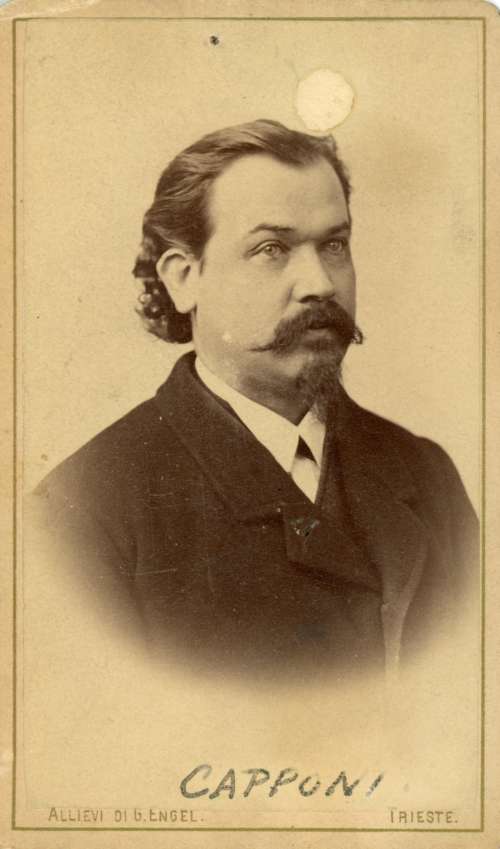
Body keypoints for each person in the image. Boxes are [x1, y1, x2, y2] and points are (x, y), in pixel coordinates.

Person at [32, 120, 478, 681]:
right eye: (272, 249)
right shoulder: (80, 513)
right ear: (183, 278)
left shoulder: (426, 475)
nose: (320, 283)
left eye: (334, 245)